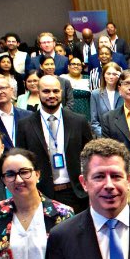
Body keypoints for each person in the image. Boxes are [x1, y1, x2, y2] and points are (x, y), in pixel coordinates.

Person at [17, 75, 93, 213]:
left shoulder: (79, 121)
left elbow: (91, 155)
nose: (52, 95)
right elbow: (22, 162)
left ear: (61, 92)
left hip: (76, 193)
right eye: (46, 91)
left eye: (56, 91)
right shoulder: (25, 125)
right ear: (37, 92)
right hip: (41, 194)